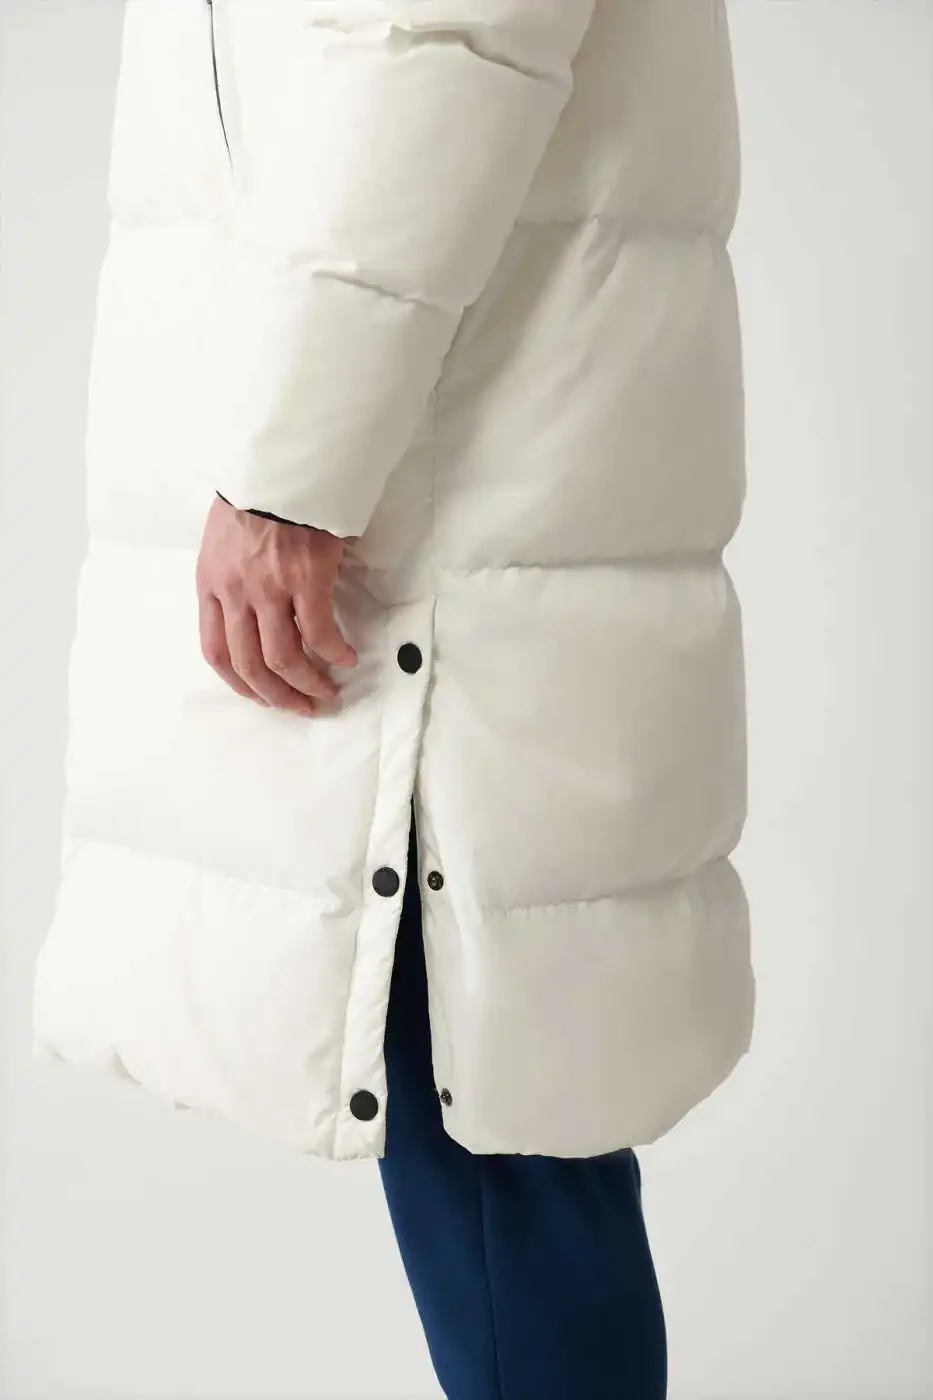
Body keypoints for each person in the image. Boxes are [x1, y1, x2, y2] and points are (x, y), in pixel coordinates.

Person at [33, 1, 755, 1395]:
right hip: (461, 504)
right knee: (505, 1131)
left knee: (497, 1119)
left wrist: (288, 473)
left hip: (435, 538)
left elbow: (441, 47)